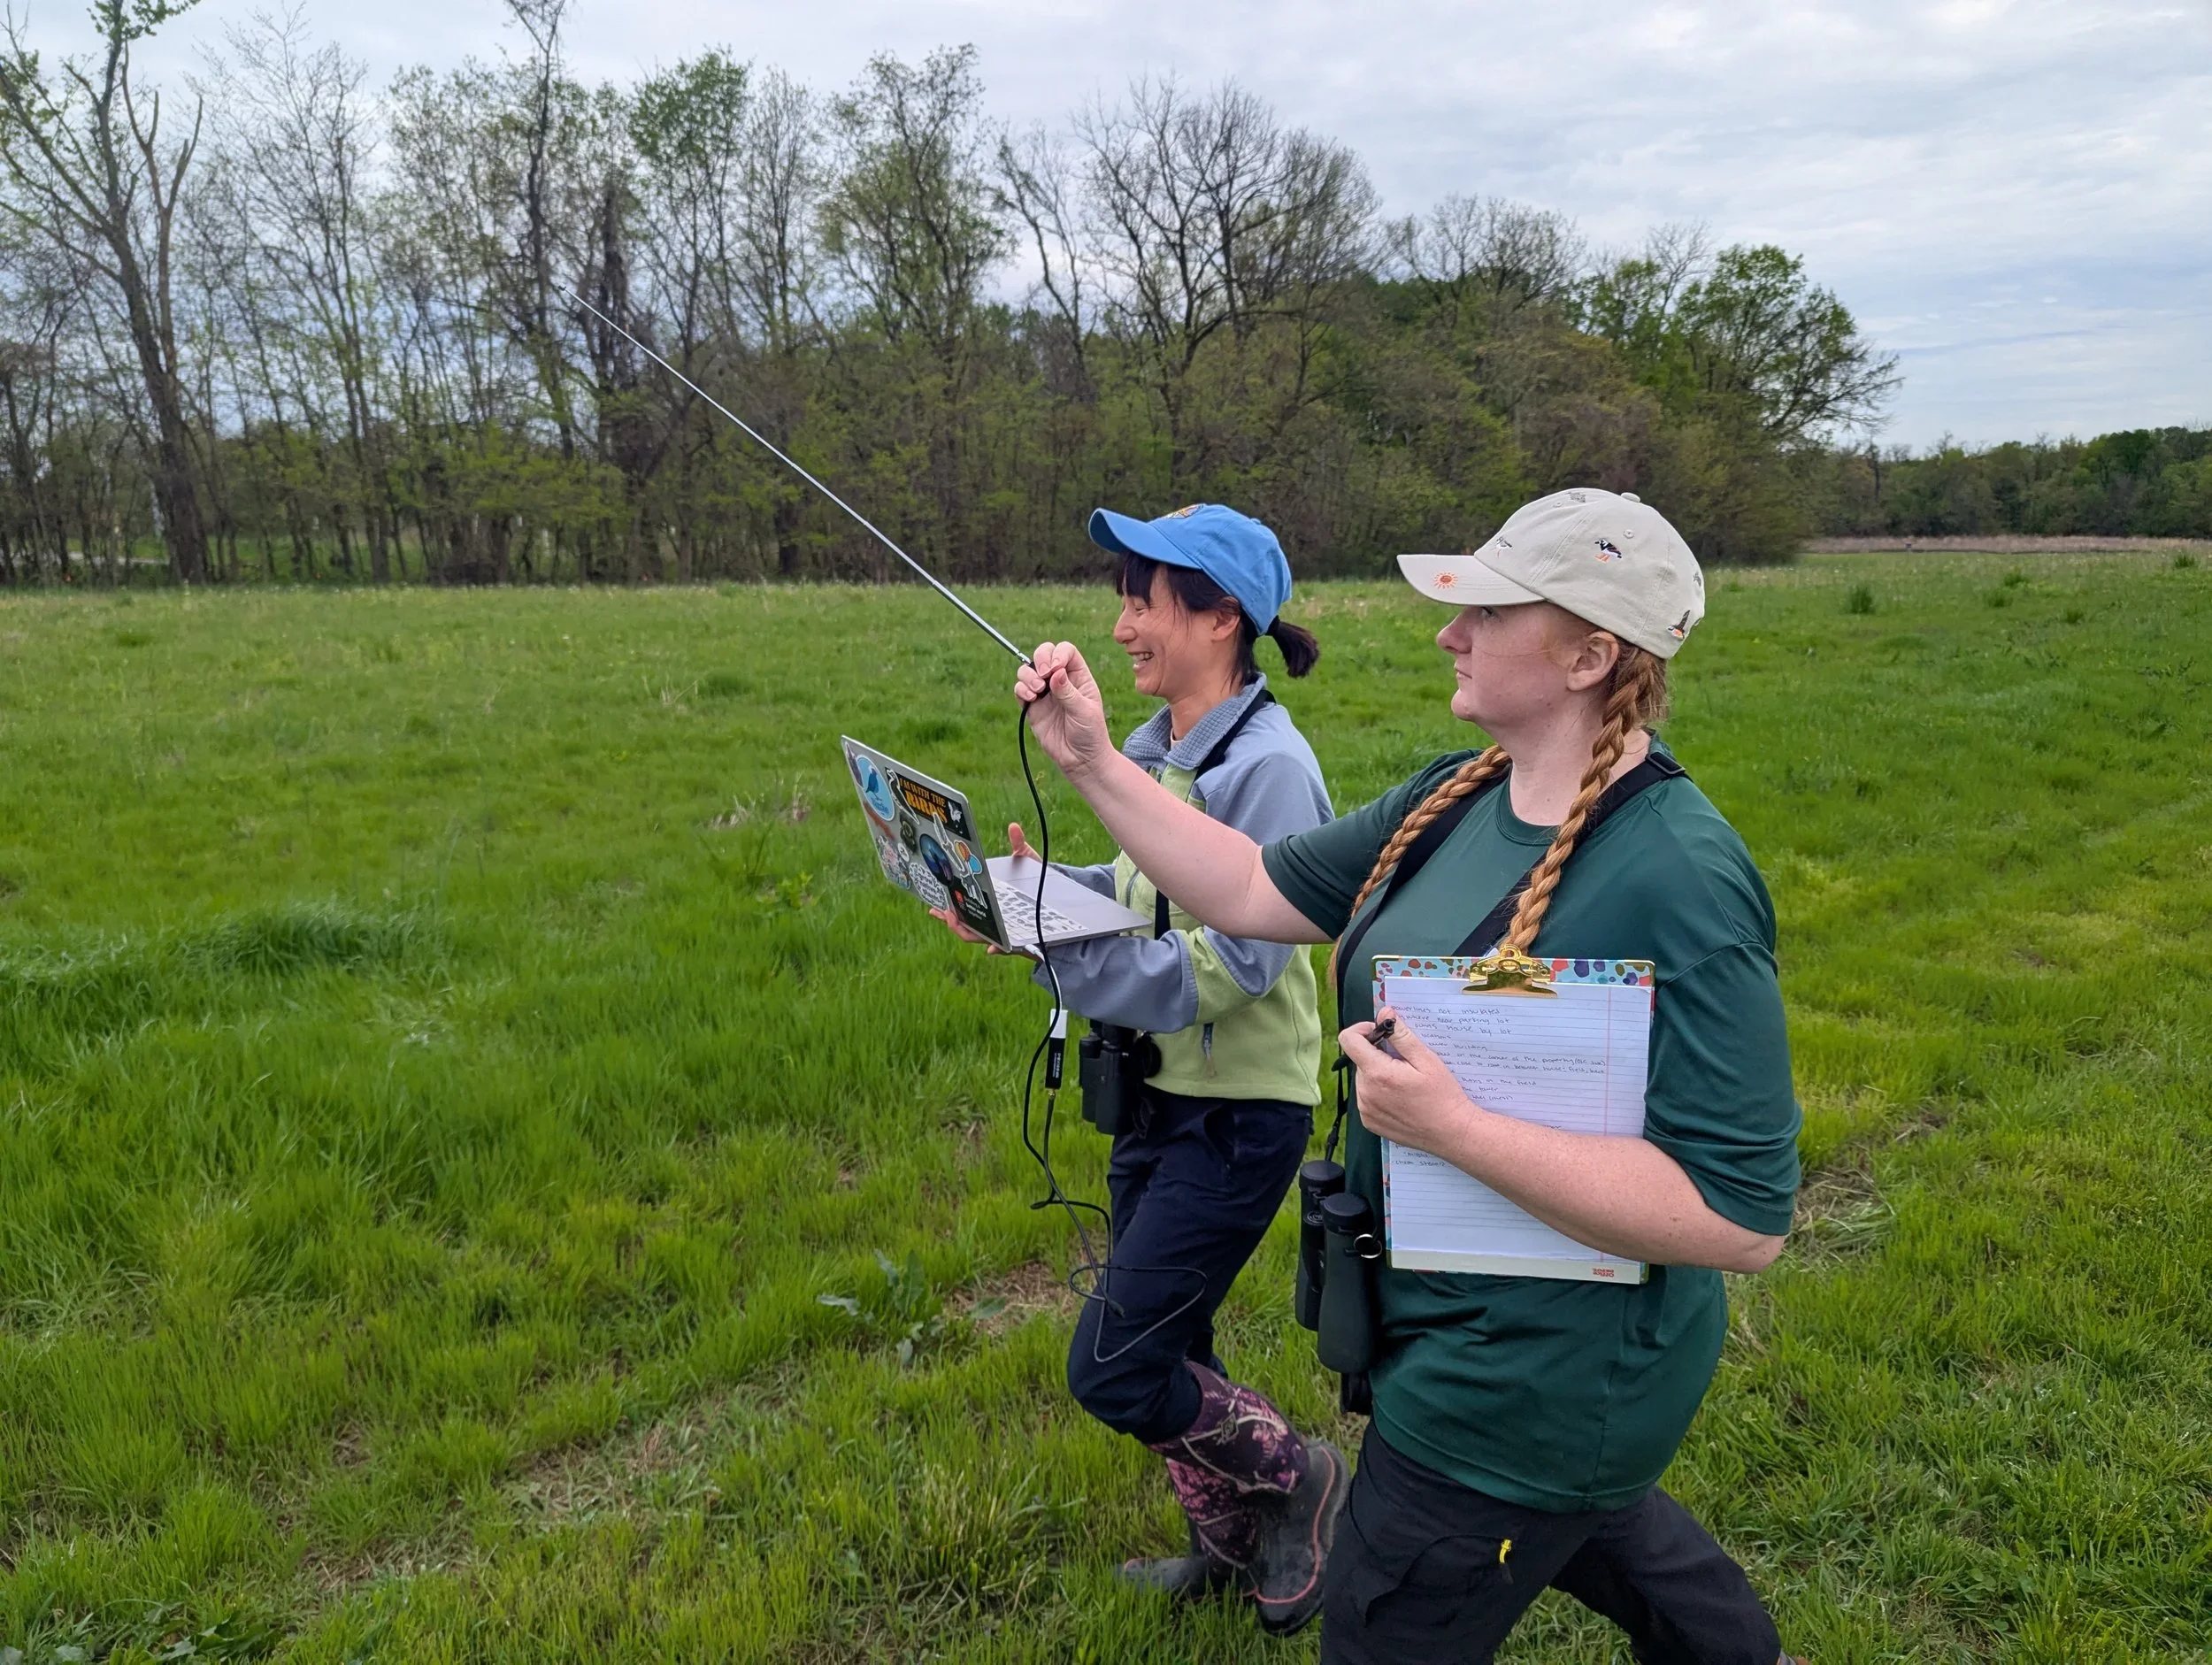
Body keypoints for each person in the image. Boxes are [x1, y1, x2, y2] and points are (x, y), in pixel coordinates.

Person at [1011, 487, 1806, 1664]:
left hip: (1523, 1384)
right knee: (1592, 1515)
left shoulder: (1681, 875)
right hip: (1441, 1336)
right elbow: (1244, 886)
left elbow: (1742, 1214)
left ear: (1591, 652)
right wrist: (1087, 758)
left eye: (1487, 610)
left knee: (1381, 1623)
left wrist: (1456, 1129)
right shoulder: (1455, 796)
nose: (1449, 630)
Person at [935, 503, 1348, 1636]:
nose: (1119, 625)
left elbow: (1234, 965)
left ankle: (1295, 1475)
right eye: (1121, 596)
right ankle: (1225, 1548)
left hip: (1239, 1115)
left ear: (1220, 615)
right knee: (1179, 1340)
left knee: (1115, 1365)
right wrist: (1041, 903)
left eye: (1141, 598)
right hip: (1157, 1098)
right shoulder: (1166, 751)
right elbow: (1141, 901)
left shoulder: (1267, 770)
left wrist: (1067, 966)